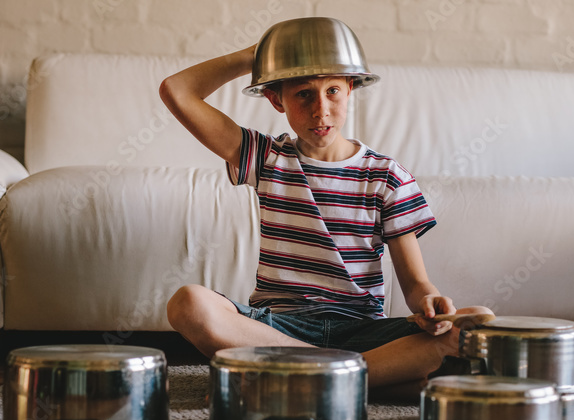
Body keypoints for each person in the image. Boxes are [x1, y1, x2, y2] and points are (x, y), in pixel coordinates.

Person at [159, 38, 491, 395]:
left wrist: (429, 301)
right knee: (189, 303)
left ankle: (289, 377)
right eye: (303, 94)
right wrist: (253, 58)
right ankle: (357, 379)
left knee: (478, 323)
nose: (321, 110)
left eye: (332, 90)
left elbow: (415, 285)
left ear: (350, 90)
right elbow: (176, 90)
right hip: (279, 328)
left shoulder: (387, 176)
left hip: (362, 333)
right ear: (276, 100)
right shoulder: (265, 157)